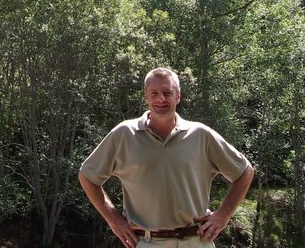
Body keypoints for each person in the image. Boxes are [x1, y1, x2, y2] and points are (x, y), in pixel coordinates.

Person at [78, 67, 254, 247]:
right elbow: (87, 176)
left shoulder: (201, 135)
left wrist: (223, 215)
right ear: (146, 96)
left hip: (197, 241)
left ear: (178, 96)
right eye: (154, 93)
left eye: (167, 93)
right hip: (147, 242)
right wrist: (114, 220)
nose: (160, 99)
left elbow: (244, 172)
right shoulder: (124, 134)